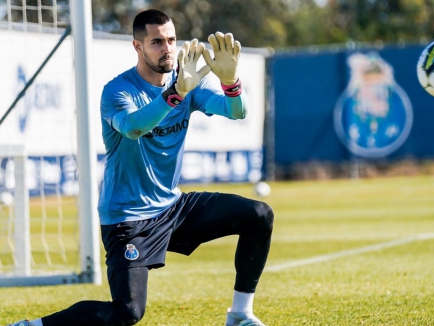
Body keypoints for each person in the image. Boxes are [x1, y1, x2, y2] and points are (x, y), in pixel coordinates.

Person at [9, 8, 273, 326]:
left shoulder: (186, 84)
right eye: (157, 42)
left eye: (171, 40)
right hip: (128, 220)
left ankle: (241, 315)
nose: (167, 48)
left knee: (258, 215)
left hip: (172, 208)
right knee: (127, 312)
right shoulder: (118, 91)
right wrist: (176, 94)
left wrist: (231, 83)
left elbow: (237, 111)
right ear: (138, 46)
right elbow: (134, 127)